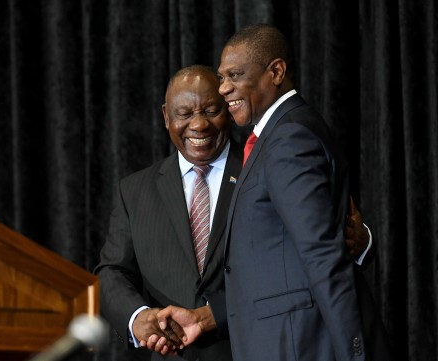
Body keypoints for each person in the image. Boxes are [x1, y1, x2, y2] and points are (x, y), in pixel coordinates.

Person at [94, 64, 374, 361]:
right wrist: (137, 318)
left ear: (229, 109)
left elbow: (305, 259)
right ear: (166, 116)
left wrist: (361, 241)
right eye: (185, 114)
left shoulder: (269, 165)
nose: (199, 125)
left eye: (211, 110)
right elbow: (112, 270)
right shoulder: (134, 190)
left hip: (262, 349)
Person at [153, 24, 391, 361]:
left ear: (275, 71)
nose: (223, 89)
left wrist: (356, 353)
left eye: (234, 75)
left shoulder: (289, 139)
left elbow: (322, 258)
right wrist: (207, 318)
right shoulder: (276, 136)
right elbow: (276, 264)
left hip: (301, 347)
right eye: (221, 77)